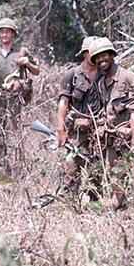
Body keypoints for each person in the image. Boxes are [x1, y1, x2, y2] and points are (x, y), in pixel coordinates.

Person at [88, 36, 134, 207]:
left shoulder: (129, 78)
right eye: (97, 57)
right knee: (116, 179)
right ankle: (121, 211)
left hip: (128, 140)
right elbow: (107, 111)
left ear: (112, 55)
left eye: (104, 55)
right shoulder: (101, 83)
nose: (101, 59)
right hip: (112, 140)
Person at [0, 18, 40, 174]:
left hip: (15, 97)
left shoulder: (21, 51)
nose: (4, 34)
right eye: (2, 32)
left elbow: (37, 71)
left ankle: (19, 164)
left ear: (13, 34)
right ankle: (3, 165)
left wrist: (27, 63)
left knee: (14, 130)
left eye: (7, 31)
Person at [56, 35, 102, 196]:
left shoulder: (105, 74)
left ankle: (95, 202)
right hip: (77, 130)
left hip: (99, 128)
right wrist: (60, 129)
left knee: (97, 169)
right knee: (72, 168)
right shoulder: (72, 75)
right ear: (84, 53)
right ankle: (70, 202)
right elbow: (63, 102)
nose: (96, 56)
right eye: (92, 52)